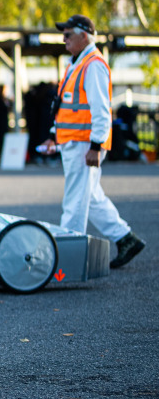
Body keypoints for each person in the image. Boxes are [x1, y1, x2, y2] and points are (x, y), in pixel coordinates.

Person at [41, 14, 145, 268]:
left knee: (75, 201)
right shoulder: (78, 63)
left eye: (67, 35)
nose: (63, 40)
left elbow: (101, 110)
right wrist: (55, 135)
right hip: (74, 142)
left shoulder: (93, 64)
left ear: (83, 35)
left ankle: (67, 260)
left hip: (84, 144)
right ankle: (125, 238)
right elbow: (66, 106)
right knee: (91, 197)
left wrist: (96, 146)